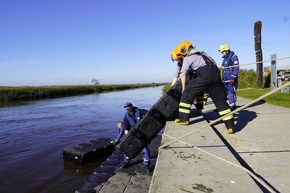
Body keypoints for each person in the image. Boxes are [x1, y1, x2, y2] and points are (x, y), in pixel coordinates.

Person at [173, 41, 235, 134]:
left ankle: (183, 119)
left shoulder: (187, 58)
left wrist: (183, 88)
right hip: (215, 74)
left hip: (204, 74)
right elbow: (213, 63)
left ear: (183, 51)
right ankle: (230, 126)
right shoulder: (204, 54)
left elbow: (183, 73)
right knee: (220, 101)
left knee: (187, 93)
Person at [171, 49, 204, 114]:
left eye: (176, 59)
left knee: (200, 95)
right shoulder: (179, 65)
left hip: (197, 78)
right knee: (188, 95)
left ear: (180, 57)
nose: (176, 61)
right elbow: (175, 76)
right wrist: (171, 87)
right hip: (189, 81)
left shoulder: (188, 60)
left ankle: (199, 109)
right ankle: (187, 111)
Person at [121, 102, 151, 173]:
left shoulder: (139, 111)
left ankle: (147, 165)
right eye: (126, 109)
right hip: (133, 134)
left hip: (142, 133)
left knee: (145, 149)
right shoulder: (126, 117)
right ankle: (126, 162)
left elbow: (148, 112)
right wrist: (126, 131)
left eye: (128, 108)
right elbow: (125, 126)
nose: (127, 110)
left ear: (131, 107)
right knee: (128, 148)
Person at [219, 44, 240, 110]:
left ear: (226, 51)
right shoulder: (225, 59)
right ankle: (223, 107)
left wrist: (233, 77)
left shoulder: (234, 57)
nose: (222, 53)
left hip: (231, 79)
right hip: (225, 79)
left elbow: (236, 68)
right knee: (223, 94)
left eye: (222, 52)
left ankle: (232, 107)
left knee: (231, 93)